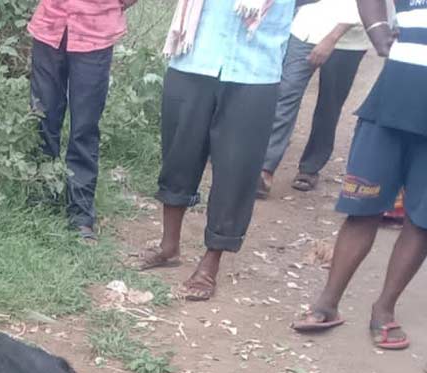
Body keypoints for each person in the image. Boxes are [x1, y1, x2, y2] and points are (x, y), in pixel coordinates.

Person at [137, 0, 296, 301]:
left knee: (237, 171)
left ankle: (210, 264)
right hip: (193, 56)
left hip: (255, 69)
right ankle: (168, 245)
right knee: (178, 155)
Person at [292, 0, 426, 350]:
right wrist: (379, 34)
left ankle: (384, 309)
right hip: (389, 106)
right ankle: (327, 303)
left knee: (422, 221)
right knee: (362, 206)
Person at [28, 0, 139, 241]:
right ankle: (41, 197)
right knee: (41, 119)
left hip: (95, 32)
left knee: (84, 127)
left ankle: (80, 213)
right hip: (50, 25)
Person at [259, 0, 369, 197]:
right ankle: (265, 169)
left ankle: (310, 168)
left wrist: (332, 38)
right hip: (306, 28)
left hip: (348, 40)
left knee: (329, 105)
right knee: (285, 95)